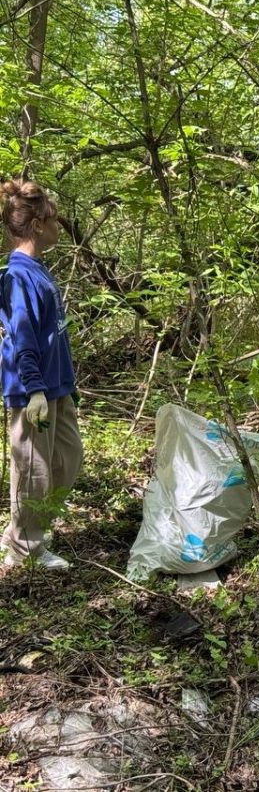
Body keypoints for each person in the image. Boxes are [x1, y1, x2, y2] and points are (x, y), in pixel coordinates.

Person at [0, 179, 83, 571]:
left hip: (56, 385)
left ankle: (21, 530)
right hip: (34, 390)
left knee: (68, 460)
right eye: (52, 220)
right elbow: (23, 335)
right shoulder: (18, 275)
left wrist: (63, 383)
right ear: (36, 225)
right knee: (34, 472)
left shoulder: (38, 269)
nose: (57, 227)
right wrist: (34, 389)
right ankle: (24, 547)